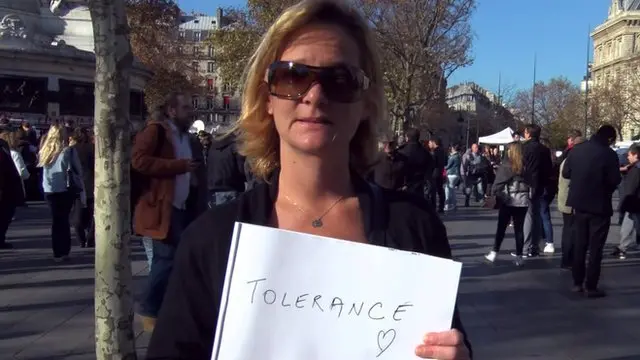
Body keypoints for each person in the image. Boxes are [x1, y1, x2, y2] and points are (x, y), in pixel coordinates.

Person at [146, 1, 471, 359]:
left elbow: (448, 340)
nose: (314, 96)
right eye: (292, 76)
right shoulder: (210, 240)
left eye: (340, 80)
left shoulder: (415, 226)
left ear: (365, 103)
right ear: (266, 97)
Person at [562, 125, 621, 298]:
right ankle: (591, 285)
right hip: (600, 206)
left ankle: (577, 282)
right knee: (596, 248)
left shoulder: (578, 150)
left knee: (580, 244)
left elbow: (566, 173)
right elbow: (615, 179)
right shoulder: (609, 154)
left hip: (579, 204)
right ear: (610, 139)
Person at [39, 124, 85, 261]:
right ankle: (64, 250)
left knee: (55, 220)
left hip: (49, 189)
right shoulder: (68, 151)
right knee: (64, 220)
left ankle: (56, 251)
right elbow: (78, 170)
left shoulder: (45, 150)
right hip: (65, 188)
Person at [484, 142, 530, 267]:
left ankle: (494, 252)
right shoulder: (525, 166)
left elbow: (497, 185)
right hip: (523, 200)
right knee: (519, 229)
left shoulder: (507, 166)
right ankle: (519, 256)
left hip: (508, 199)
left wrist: (497, 194)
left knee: (501, 228)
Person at [521, 124, 552, 257]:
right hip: (541, 185)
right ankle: (535, 246)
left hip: (527, 184)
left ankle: (525, 247)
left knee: (528, 216)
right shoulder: (544, 149)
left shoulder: (524, 148)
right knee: (537, 215)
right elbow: (549, 168)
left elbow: (520, 166)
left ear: (528, 134)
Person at [556, 136, 584, 269]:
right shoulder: (575, 160)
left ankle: (567, 259)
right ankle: (568, 259)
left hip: (565, 199)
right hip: (571, 200)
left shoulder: (567, 159)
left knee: (568, 229)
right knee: (571, 230)